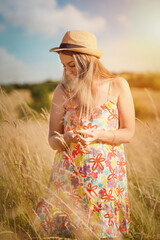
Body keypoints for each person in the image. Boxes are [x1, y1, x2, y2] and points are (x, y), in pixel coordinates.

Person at [32, 30, 135, 240]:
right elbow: (52, 139)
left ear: (88, 62)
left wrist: (99, 134)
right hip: (68, 179)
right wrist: (66, 139)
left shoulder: (117, 85)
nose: (67, 72)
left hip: (106, 180)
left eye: (72, 65)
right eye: (63, 66)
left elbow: (128, 132)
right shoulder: (63, 91)